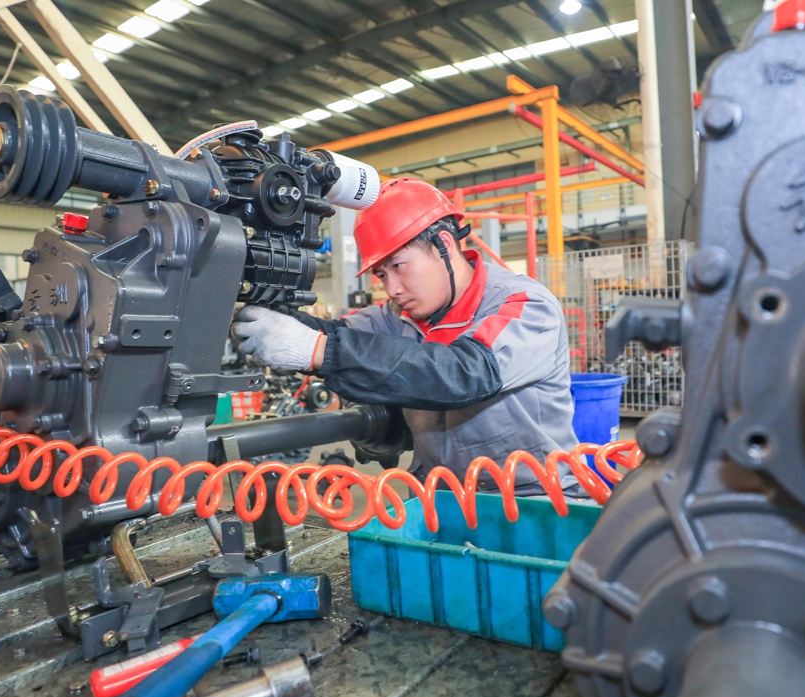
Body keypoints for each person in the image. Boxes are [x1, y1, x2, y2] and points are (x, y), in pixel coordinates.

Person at [232, 178, 580, 495]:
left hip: (533, 499)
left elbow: (466, 372)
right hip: (439, 498)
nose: (392, 289)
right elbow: (337, 334)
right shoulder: (402, 315)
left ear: (444, 244)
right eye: (382, 275)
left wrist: (317, 350)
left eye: (399, 266)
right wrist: (262, 314)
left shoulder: (524, 304)